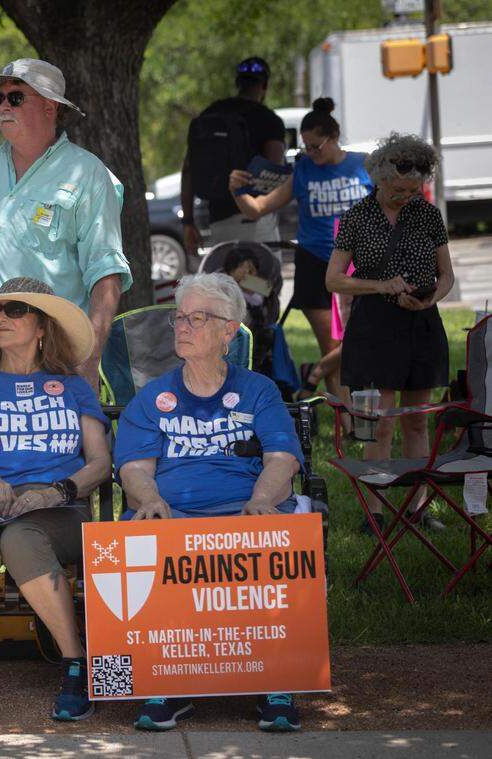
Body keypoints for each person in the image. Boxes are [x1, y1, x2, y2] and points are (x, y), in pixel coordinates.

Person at [114, 273, 306, 732]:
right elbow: (135, 469)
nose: (182, 326)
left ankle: (279, 680)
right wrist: (151, 498)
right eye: (180, 317)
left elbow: (282, 458)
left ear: (228, 332)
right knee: (135, 539)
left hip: (243, 511)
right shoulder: (152, 398)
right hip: (173, 513)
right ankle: (155, 683)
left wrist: (261, 500)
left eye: (196, 318)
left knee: (277, 534)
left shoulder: (259, 390)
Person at [0, 277, 112, 724]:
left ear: (41, 325)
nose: (1, 319)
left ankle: (76, 664)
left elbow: (98, 463)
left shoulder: (72, 386)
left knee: (21, 537)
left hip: (56, 511)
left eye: (15, 310)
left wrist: (56, 491)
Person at [0, 59, 131, 395]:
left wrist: (88, 364)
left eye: (16, 97)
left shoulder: (87, 174)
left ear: (49, 106)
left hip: (54, 370)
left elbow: (106, 276)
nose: (4, 106)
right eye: (0, 99)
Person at [325, 133, 454, 533]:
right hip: (375, 326)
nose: (407, 195)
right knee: (378, 421)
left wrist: (430, 300)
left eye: (414, 189)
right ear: (380, 179)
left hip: (420, 322)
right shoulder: (357, 217)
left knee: (416, 421)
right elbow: (333, 280)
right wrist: (378, 286)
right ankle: (377, 513)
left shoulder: (427, 215)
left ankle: (417, 509)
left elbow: (446, 275)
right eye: (399, 189)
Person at [229, 98, 372, 401]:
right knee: (331, 346)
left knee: (363, 338)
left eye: (315, 146)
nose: (310, 153)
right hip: (315, 263)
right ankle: (346, 424)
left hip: (358, 265)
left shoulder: (363, 165)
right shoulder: (304, 170)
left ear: (333, 137)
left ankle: (315, 374)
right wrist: (237, 190)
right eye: (305, 147)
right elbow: (257, 209)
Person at [182, 57, 286, 256]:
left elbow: (188, 169)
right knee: (262, 285)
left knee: (227, 285)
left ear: (237, 83)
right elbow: (274, 171)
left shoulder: (210, 114)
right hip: (257, 222)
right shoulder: (269, 120)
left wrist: (188, 222)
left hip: (218, 221)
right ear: (265, 86)